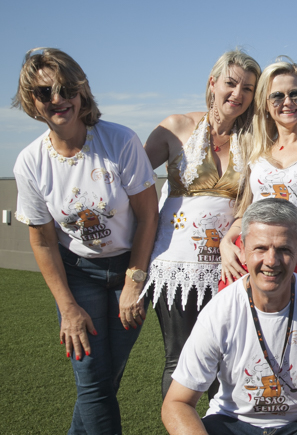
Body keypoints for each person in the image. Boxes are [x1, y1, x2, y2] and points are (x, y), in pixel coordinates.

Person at [12, 47, 158, 434]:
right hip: (78, 274)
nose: (57, 99)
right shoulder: (30, 162)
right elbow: (44, 242)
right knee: (93, 382)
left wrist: (134, 281)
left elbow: (148, 216)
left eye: (66, 89)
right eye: (45, 92)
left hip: (128, 268)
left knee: (105, 380)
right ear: (31, 100)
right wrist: (68, 308)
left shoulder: (120, 141)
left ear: (82, 92)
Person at [162, 199, 297, 435]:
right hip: (233, 422)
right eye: (260, 248)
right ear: (242, 250)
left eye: (284, 249)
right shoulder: (219, 311)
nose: (271, 261)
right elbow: (177, 402)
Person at [139, 50, 260, 400]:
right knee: (179, 360)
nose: (238, 94)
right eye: (231, 83)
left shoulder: (254, 139)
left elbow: (251, 201)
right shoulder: (176, 127)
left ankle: (220, 423)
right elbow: (131, 179)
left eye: (248, 88)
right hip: (175, 265)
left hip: (228, 266)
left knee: (225, 360)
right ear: (212, 83)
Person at [219, 57, 297, 287]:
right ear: (265, 104)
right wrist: (226, 242)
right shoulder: (257, 153)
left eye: (295, 94)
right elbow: (246, 211)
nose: (288, 102)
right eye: (277, 96)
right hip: (247, 257)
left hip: (295, 256)